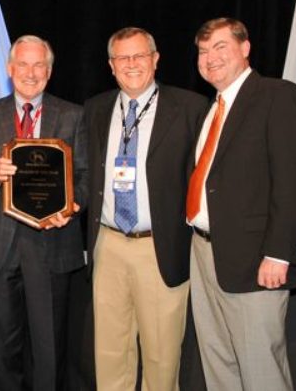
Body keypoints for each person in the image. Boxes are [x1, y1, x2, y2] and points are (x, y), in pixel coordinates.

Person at [187, 17, 296, 390]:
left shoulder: (279, 96)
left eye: (221, 47)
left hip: (255, 259)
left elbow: (293, 182)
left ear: (245, 49)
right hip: (205, 251)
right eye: (203, 51)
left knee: (260, 368)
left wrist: (278, 253)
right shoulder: (213, 109)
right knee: (219, 362)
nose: (210, 58)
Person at [0, 34, 87, 391]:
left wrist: (72, 205)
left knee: (49, 348)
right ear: (9, 69)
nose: (30, 73)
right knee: (2, 347)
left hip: (52, 242)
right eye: (23, 65)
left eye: (39, 65)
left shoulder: (73, 115)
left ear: (49, 70)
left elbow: (86, 175)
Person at [84, 27, 207, 390]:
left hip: (161, 247)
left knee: (162, 354)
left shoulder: (190, 108)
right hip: (108, 245)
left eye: (140, 56)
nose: (132, 64)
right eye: (123, 57)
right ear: (111, 65)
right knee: (110, 353)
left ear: (155, 60)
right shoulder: (96, 108)